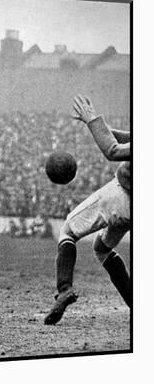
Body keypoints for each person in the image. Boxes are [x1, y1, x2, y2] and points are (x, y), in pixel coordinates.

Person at [44, 95, 130, 325]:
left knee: (68, 230)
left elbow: (113, 151)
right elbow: (131, 138)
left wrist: (93, 120)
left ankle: (64, 289)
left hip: (122, 195)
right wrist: (98, 126)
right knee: (102, 248)